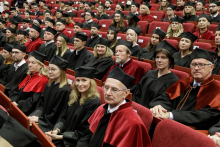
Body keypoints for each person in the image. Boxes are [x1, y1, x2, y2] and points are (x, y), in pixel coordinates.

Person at [149, 48, 220, 131]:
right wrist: (159, 107)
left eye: (201, 65)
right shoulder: (183, 83)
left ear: (211, 67)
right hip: (168, 124)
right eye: (193, 64)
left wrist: (171, 115)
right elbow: (164, 98)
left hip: (193, 131)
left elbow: (207, 116)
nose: (196, 68)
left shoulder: (217, 89)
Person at [88, 66, 152, 147]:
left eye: (114, 90)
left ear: (126, 93)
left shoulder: (133, 123)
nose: (107, 93)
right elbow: (87, 136)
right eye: (106, 87)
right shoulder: (101, 108)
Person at [45, 66, 101, 147]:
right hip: (62, 136)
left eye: (84, 80)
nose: (80, 84)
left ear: (91, 83)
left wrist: (60, 136)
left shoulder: (94, 103)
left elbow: (84, 132)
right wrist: (56, 130)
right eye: (77, 80)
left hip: (74, 142)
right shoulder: (73, 97)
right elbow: (63, 117)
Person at [29, 56, 71, 133]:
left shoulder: (65, 90)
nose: (50, 72)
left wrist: (39, 119)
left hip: (50, 125)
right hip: (42, 119)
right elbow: (41, 104)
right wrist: (35, 115)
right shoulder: (49, 84)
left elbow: (58, 114)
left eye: (53, 69)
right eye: (49, 69)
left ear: (61, 71)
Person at [12, 51, 49, 116]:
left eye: (33, 63)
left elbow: (33, 101)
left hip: (26, 111)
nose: (30, 65)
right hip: (17, 105)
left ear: (40, 65)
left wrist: (18, 104)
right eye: (29, 62)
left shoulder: (43, 80)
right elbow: (18, 90)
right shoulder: (30, 75)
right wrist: (13, 101)